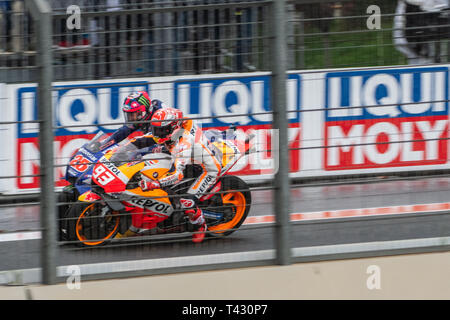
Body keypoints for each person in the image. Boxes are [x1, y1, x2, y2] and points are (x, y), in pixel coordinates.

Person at [138, 108, 222, 243]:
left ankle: (201, 226)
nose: (157, 134)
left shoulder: (183, 143)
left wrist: (154, 184)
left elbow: (178, 175)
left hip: (208, 169)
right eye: (155, 130)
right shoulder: (175, 130)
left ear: (173, 128)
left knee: (186, 202)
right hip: (193, 160)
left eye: (161, 131)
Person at [97, 91, 166, 151]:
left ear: (145, 110)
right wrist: (102, 145)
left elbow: (151, 142)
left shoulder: (158, 117)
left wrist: (127, 148)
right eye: (129, 115)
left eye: (134, 114)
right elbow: (122, 132)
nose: (131, 118)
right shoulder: (141, 117)